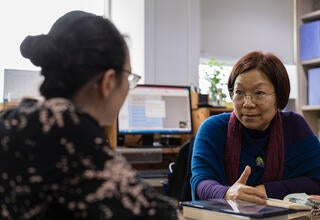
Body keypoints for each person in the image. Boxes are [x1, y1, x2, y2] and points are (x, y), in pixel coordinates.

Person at [0, 11, 183, 220]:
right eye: (129, 77)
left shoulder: (14, 118)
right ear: (109, 81)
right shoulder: (71, 131)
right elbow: (156, 214)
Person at [190, 51, 320, 204]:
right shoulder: (213, 128)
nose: (248, 103)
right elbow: (200, 182)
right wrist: (226, 193)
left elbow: (317, 180)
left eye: (259, 93)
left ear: (278, 96)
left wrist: (266, 191)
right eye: (239, 92)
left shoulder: (294, 126)